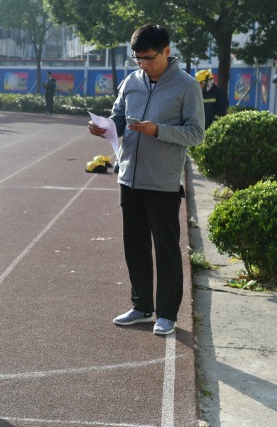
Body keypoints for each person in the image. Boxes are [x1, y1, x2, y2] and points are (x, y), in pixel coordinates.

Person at [88, 24, 204, 335]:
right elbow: (119, 117)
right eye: (137, 58)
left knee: (165, 248)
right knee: (134, 245)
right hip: (129, 178)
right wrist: (105, 127)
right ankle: (141, 307)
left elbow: (196, 134)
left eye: (149, 58)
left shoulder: (186, 87)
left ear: (167, 51)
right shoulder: (132, 81)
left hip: (163, 182)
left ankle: (166, 313)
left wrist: (159, 130)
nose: (143, 64)